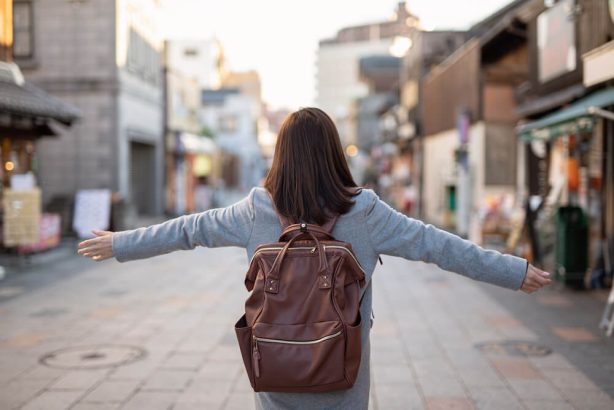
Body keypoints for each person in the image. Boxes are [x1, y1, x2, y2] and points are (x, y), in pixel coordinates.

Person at [77, 107, 552, 410]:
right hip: (341, 373)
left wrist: (120, 243)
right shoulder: (364, 212)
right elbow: (441, 247)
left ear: (280, 154)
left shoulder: (255, 211)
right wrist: (514, 271)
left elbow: (187, 230)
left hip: (276, 369)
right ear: (332, 154)